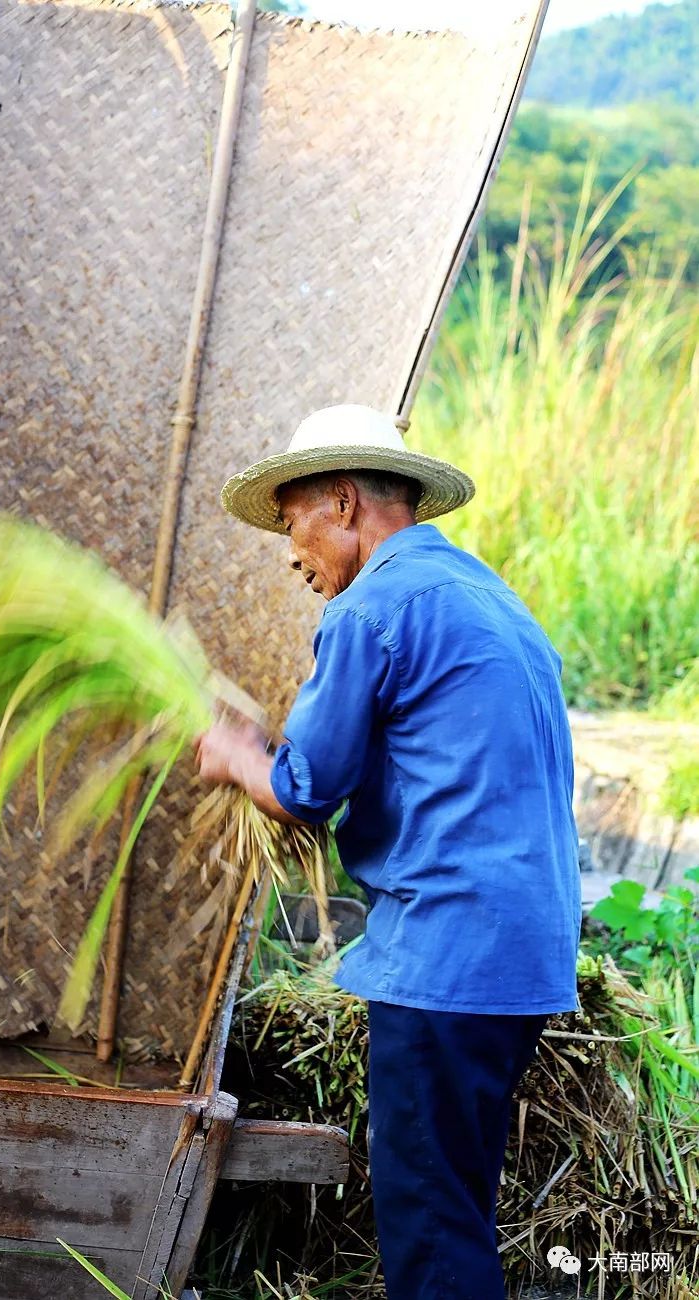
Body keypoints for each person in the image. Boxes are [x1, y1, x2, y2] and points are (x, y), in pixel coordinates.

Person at [195, 404, 581, 1300]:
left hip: (446, 958)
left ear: (339, 502)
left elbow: (304, 790)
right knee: (457, 1205)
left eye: (291, 523)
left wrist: (236, 754)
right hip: (521, 954)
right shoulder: (491, 598)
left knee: (431, 1234)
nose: (293, 553)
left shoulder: (371, 610)